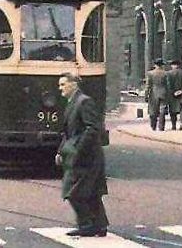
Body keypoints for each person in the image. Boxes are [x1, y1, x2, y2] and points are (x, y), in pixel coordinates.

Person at [55, 72, 109, 238]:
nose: (60, 88)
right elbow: (68, 132)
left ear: (74, 84)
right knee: (90, 192)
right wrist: (60, 151)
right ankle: (99, 225)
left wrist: (78, 149)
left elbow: (92, 128)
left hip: (87, 156)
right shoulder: (73, 102)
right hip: (81, 154)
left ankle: (87, 225)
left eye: (63, 84)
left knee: (73, 191)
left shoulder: (84, 102)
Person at [144, 58, 168, 131]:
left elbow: (148, 85)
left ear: (155, 65)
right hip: (164, 93)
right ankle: (161, 126)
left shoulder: (150, 73)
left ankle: (153, 125)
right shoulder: (165, 73)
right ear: (162, 65)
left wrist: (146, 95)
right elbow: (168, 85)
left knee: (153, 110)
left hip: (153, 93)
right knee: (162, 110)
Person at [165, 59, 182, 130]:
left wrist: (173, 92)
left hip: (172, 95)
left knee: (172, 110)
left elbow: (168, 84)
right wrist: (181, 91)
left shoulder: (168, 73)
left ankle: (174, 125)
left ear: (172, 65)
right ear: (179, 65)